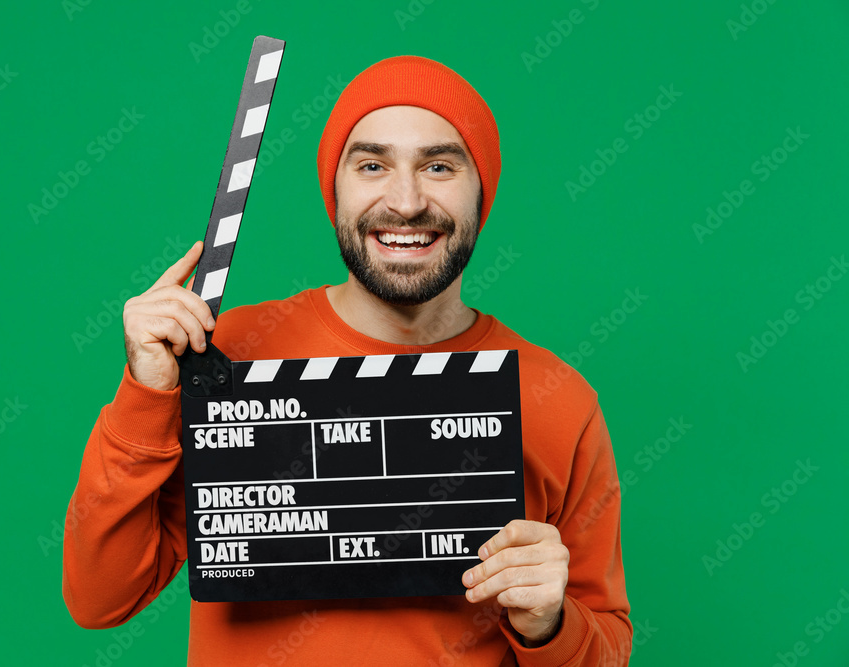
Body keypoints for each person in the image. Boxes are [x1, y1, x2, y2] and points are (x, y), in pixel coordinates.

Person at [63, 55, 631, 665]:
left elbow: (607, 646)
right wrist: (145, 396)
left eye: (439, 166)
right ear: (334, 188)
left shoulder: (559, 398)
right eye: (371, 165)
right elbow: (100, 600)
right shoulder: (223, 355)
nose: (406, 201)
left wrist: (549, 624)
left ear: (480, 190)